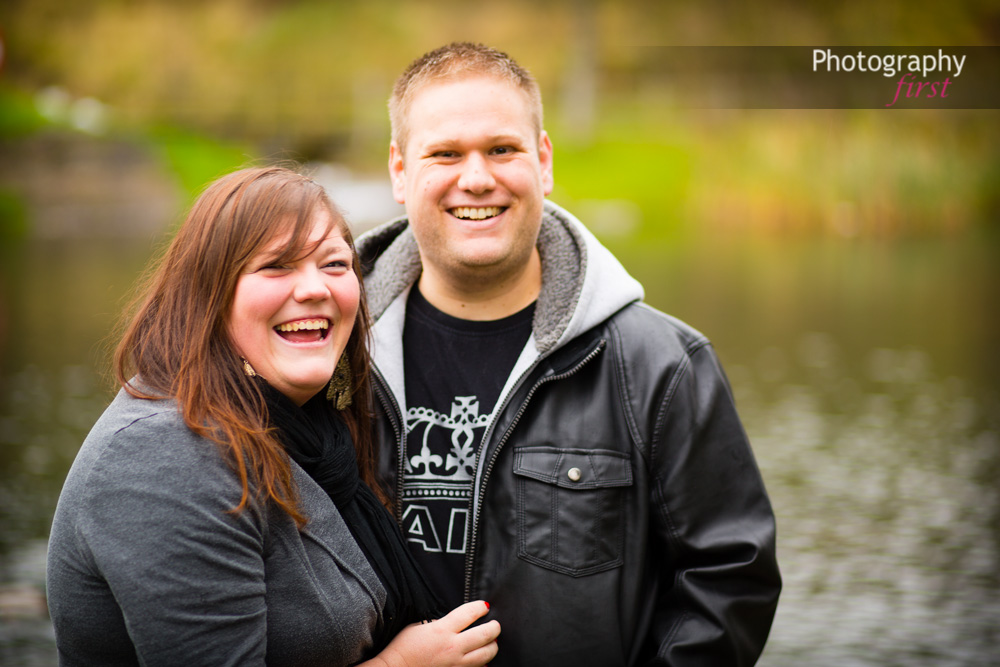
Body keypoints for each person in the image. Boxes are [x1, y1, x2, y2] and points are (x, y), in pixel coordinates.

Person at [355, 43, 782, 666]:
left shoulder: (661, 366)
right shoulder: (328, 358)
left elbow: (728, 582)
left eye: (502, 149)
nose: (476, 177)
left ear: (544, 161)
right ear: (399, 171)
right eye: (445, 153)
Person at [46, 166, 500, 666]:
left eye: (333, 264)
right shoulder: (161, 455)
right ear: (209, 297)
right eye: (276, 267)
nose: (313, 289)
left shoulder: (310, 426)